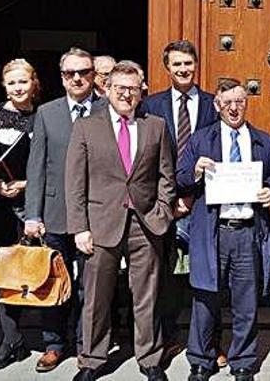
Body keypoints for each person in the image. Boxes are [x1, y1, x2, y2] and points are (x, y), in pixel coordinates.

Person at [67, 60, 176, 381]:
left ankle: (150, 358)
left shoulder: (155, 125)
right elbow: (75, 182)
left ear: (141, 92)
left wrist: (163, 211)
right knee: (96, 298)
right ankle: (92, 359)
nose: (126, 95)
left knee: (147, 295)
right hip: (100, 225)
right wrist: (79, 228)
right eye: (120, 88)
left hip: (145, 224)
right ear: (106, 90)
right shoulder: (87, 127)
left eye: (132, 89)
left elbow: (165, 176)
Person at [177, 78, 270, 381]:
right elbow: (180, 178)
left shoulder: (264, 140)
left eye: (239, 102)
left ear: (246, 103)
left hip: (248, 232)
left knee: (246, 302)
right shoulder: (201, 140)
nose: (234, 108)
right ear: (217, 105)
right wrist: (195, 171)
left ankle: (242, 362)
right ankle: (201, 360)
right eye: (227, 103)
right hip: (213, 230)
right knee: (205, 300)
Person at [22, 48, 105, 372]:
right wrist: (32, 214)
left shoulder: (105, 110)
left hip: (94, 215)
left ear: (93, 75)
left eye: (83, 72)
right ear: (61, 77)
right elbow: (37, 165)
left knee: (90, 286)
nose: (77, 78)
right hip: (55, 213)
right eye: (70, 73)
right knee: (53, 282)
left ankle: (87, 347)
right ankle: (54, 344)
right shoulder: (47, 112)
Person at [140, 40, 217, 357]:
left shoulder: (214, 104)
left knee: (208, 274)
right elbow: (147, 158)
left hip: (205, 201)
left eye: (188, 63)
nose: (183, 69)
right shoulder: (152, 106)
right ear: (167, 67)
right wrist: (169, 200)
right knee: (166, 277)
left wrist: (192, 197)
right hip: (164, 204)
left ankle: (211, 341)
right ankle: (169, 337)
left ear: (195, 64)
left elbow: (219, 152)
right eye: (177, 64)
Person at [0, 59, 43, 371]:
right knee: (3, 275)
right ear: (4, 86)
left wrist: (26, 184)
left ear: (34, 83)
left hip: (31, 205)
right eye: (12, 83)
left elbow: (50, 161)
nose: (18, 88)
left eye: (23, 81)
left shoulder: (43, 115)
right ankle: (10, 340)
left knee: (34, 272)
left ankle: (52, 337)